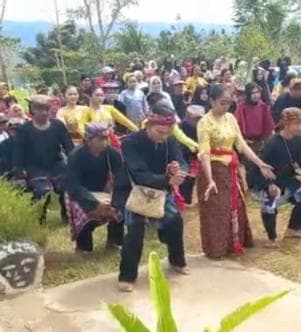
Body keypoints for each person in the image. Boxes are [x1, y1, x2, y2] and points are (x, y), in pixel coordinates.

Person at [114, 100, 189, 292]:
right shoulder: (130, 142)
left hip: (162, 190)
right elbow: (139, 174)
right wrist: (167, 179)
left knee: (175, 221)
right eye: (159, 132)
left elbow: (181, 160)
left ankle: (177, 261)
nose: (164, 137)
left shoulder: (170, 140)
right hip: (136, 191)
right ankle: (127, 276)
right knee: (135, 230)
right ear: (148, 125)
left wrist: (178, 170)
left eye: (167, 132)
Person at [196, 84, 275, 259]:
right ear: (212, 101)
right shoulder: (204, 122)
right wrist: (209, 179)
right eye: (222, 103)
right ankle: (216, 248)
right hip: (214, 170)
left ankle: (235, 243)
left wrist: (259, 163)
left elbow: (241, 144)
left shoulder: (231, 118)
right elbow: (204, 152)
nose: (225, 107)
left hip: (230, 168)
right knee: (217, 209)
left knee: (236, 205)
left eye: (228, 103)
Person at [252, 108, 301, 248]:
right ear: (285, 123)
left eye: (300, 124)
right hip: (270, 182)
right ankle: (271, 237)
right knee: (269, 206)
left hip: (287, 179)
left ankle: (295, 228)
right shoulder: (272, 143)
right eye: (295, 124)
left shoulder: (298, 140)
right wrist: (268, 185)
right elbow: (257, 169)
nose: (299, 127)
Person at [13, 95, 74, 223]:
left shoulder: (58, 126)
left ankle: (66, 214)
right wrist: (20, 175)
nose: (44, 112)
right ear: (32, 110)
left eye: (46, 109)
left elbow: (69, 148)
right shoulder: (23, 130)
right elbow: (18, 153)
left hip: (57, 164)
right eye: (40, 109)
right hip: (35, 167)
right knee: (42, 190)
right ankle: (40, 218)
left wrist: (75, 166)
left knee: (67, 186)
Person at [64, 122, 123, 255]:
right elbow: (73, 185)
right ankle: (83, 247)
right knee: (85, 215)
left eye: (107, 138)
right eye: (101, 139)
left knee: (119, 209)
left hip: (103, 191)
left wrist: (113, 197)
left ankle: (114, 242)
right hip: (80, 193)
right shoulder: (76, 156)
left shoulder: (112, 153)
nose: (105, 142)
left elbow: (121, 177)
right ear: (89, 140)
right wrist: (95, 203)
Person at [235, 82, 275, 190]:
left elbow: (268, 124)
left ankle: (259, 185)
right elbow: (237, 124)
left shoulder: (262, 105)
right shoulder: (242, 107)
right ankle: (250, 186)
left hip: (260, 141)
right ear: (248, 94)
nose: (256, 95)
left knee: (261, 163)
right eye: (253, 93)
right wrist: (242, 139)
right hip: (247, 142)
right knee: (249, 165)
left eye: (258, 92)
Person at [179, 105, 205, 204]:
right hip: (185, 155)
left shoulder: (202, 127)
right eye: (196, 119)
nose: (198, 121)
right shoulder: (181, 127)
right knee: (186, 179)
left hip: (198, 155)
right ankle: (185, 201)